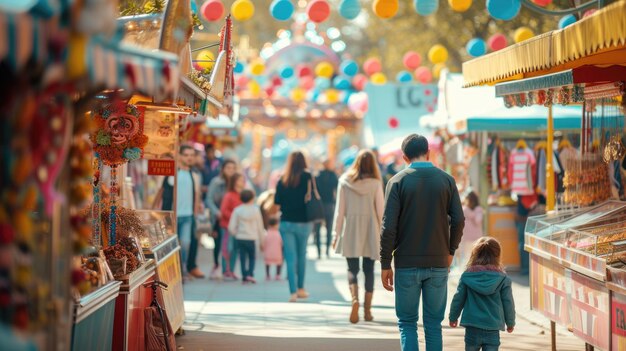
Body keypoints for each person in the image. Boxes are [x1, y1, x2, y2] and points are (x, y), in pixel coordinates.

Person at [380, 134, 465, 351]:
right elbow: (459, 219)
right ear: (428, 153)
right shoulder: (446, 180)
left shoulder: (397, 181)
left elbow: (388, 227)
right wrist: (451, 250)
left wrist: (385, 263)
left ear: (404, 157)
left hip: (406, 262)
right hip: (438, 261)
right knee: (433, 325)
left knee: (407, 323)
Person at [332, 150, 384, 324]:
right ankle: (367, 311)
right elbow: (380, 212)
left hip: (351, 229)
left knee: (352, 269)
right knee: (369, 270)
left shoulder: (344, 182)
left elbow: (340, 211)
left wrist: (335, 234)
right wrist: (385, 235)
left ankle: (354, 300)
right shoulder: (376, 183)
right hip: (371, 229)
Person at [449, 237, 516, 351]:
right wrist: (510, 323)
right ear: (497, 255)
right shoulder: (503, 279)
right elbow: (508, 302)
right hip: (493, 327)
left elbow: (458, 298)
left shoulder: (467, 276)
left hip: (472, 326)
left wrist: (453, 317)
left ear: (475, 254)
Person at [154, 145, 205, 279]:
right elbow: (160, 192)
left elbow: (197, 195)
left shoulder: (194, 175)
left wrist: (196, 213)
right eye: (186, 155)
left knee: (186, 243)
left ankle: (181, 270)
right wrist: (154, 211)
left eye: (192, 155)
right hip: (171, 216)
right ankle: (171, 271)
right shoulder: (171, 173)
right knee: (170, 245)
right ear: (180, 156)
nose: (189, 158)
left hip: (188, 216)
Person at [274, 151, 314, 302]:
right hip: (304, 222)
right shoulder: (308, 177)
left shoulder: (282, 179)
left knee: (290, 258)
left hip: (286, 222)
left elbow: (277, 201)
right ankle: (301, 288)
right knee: (301, 255)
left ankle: (292, 292)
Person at [206, 159, 237, 280]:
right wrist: (216, 212)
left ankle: (229, 269)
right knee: (218, 243)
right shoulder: (216, 182)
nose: (231, 171)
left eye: (233, 168)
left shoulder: (237, 183)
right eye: (228, 168)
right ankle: (217, 265)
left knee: (232, 245)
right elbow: (209, 199)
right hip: (219, 218)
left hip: (233, 218)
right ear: (223, 169)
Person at [228, 189, 265, 284]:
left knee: (242, 257)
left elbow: (231, 227)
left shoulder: (237, 210)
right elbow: (260, 226)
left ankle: (244, 275)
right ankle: (250, 274)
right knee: (252, 257)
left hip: (240, 237)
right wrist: (262, 241)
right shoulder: (256, 210)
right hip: (252, 238)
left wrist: (236, 234)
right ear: (252, 199)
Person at [220, 172, 245, 280]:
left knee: (235, 249)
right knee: (227, 248)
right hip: (227, 227)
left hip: (239, 228)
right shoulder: (229, 195)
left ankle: (232, 270)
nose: (242, 182)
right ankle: (226, 271)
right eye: (240, 180)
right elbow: (223, 211)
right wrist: (235, 217)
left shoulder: (244, 195)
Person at [313, 159, 339, 259]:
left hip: (318, 205)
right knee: (329, 229)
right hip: (329, 205)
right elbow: (337, 188)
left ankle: (319, 252)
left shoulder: (317, 175)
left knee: (317, 229)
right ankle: (327, 251)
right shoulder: (333, 175)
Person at [457, 192, 484, 270]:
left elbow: (478, 221)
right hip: (466, 238)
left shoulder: (478, 209)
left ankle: (473, 272)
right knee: (467, 256)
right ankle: (467, 272)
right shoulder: (464, 209)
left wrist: (471, 213)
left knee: (476, 256)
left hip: (476, 239)